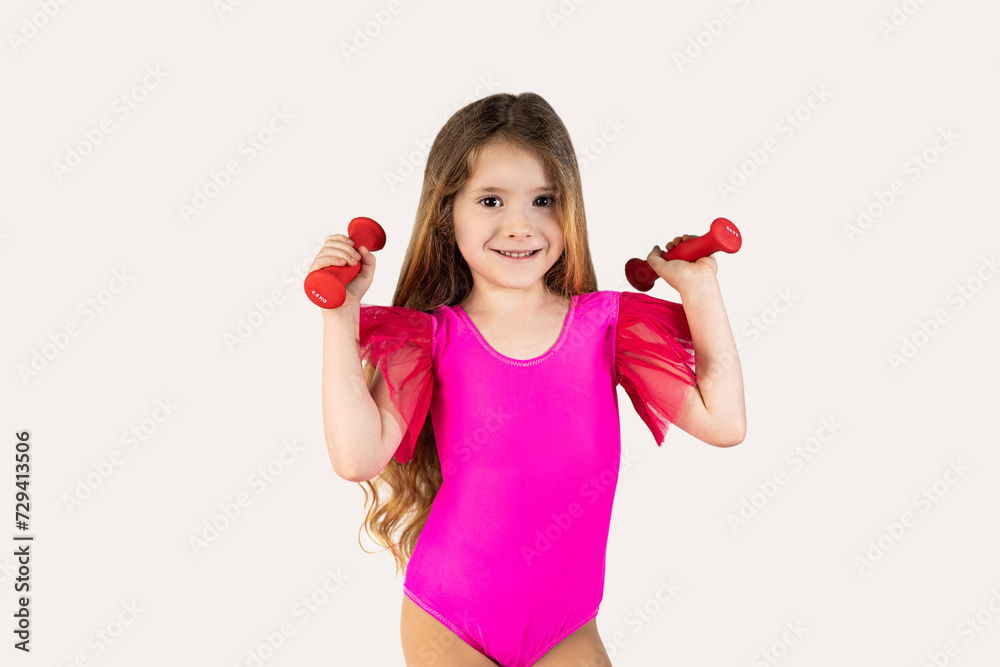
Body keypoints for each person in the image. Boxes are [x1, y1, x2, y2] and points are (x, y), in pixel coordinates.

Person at [313, 92, 746, 667]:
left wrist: (701, 288)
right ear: (448, 214)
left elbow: (725, 423)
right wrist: (339, 318)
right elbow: (356, 458)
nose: (520, 224)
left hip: (567, 628)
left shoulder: (608, 326)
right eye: (491, 200)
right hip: (451, 618)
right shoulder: (431, 339)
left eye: (543, 200)